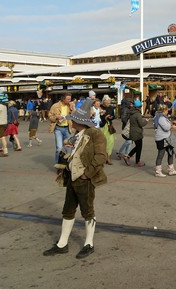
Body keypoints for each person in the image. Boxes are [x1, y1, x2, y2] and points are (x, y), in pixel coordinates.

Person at [43, 101, 107, 259]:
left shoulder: (95, 133)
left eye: (73, 120)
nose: (71, 122)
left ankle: (89, 244)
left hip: (85, 179)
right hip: (72, 177)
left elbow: (101, 156)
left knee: (88, 211)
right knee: (68, 211)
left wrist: (87, 174)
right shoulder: (76, 135)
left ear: (79, 122)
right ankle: (62, 244)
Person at [153, 104, 176, 177]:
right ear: (164, 110)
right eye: (167, 110)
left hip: (166, 138)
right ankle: (158, 172)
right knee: (160, 154)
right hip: (162, 139)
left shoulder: (163, 117)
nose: (168, 111)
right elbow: (166, 128)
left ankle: (171, 170)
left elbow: (167, 126)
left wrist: (171, 124)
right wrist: (172, 126)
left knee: (170, 153)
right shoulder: (161, 118)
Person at [48, 94, 73, 166]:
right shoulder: (55, 106)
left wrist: (73, 108)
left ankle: (67, 164)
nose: (69, 101)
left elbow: (74, 116)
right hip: (58, 128)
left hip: (67, 128)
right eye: (68, 99)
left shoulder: (70, 106)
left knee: (68, 147)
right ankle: (58, 164)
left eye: (70, 99)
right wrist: (56, 117)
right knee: (59, 148)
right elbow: (50, 116)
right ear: (63, 99)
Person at [122, 100, 149, 167]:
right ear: (139, 107)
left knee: (138, 146)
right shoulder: (137, 114)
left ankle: (128, 157)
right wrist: (146, 121)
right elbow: (141, 124)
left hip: (132, 132)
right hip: (137, 132)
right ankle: (136, 161)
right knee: (139, 147)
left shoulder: (131, 112)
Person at [98, 96, 116, 165]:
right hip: (102, 126)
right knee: (103, 141)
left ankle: (108, 157)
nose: (108, 104)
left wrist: (111, 117)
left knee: (111, 141)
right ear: (104, 102)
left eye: (109, 103)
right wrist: (104, 117)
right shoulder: (100, 107)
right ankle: (104, 157)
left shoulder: (111, 108)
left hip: (109, 126)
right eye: (107, 103)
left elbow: (113, 116)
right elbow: (98, 117)